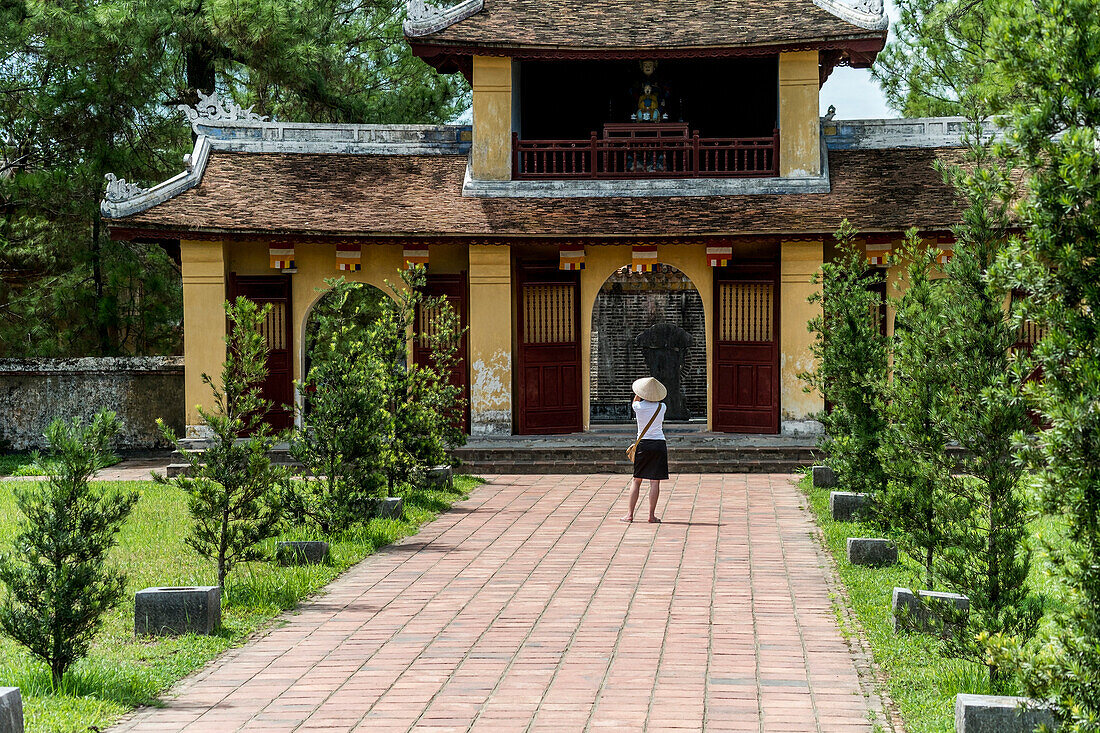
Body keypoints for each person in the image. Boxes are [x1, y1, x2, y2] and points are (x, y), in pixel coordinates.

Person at [621, 376, 668, 524]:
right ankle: (651, 515)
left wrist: (639, 392)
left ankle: (629, 514)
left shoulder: (638, 407)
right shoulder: (662, 407)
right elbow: (657, 401)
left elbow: (636, 400)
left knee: (637, 480)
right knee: (655, 482)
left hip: (643, 444)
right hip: (659, 444)